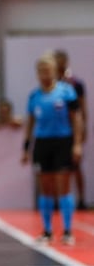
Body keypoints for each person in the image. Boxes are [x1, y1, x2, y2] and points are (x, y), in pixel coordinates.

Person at [21, 52, 84, 245]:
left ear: (55, 71)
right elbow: (30, 123)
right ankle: (47, 230)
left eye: (47, 70)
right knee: (45, 187)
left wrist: (77, 144)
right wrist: (26, 148)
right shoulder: (34, 96)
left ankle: (67, 230)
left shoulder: (66, 92)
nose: (44, 74)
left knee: (63, 184)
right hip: (43, 143)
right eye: (41, 70)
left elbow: (76, 118)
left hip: (63, 141)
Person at [54, 49, 88, 209]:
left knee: (75, 166)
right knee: (54, 168)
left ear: (66, 62)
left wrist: (82, 129)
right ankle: (55, 201)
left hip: (72, 129)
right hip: (56, 131)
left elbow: (82, 107)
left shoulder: (75, 83)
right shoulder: (50, 83)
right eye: (56, 61)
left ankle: (81, 200)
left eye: (61, 61)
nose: (59, 64)